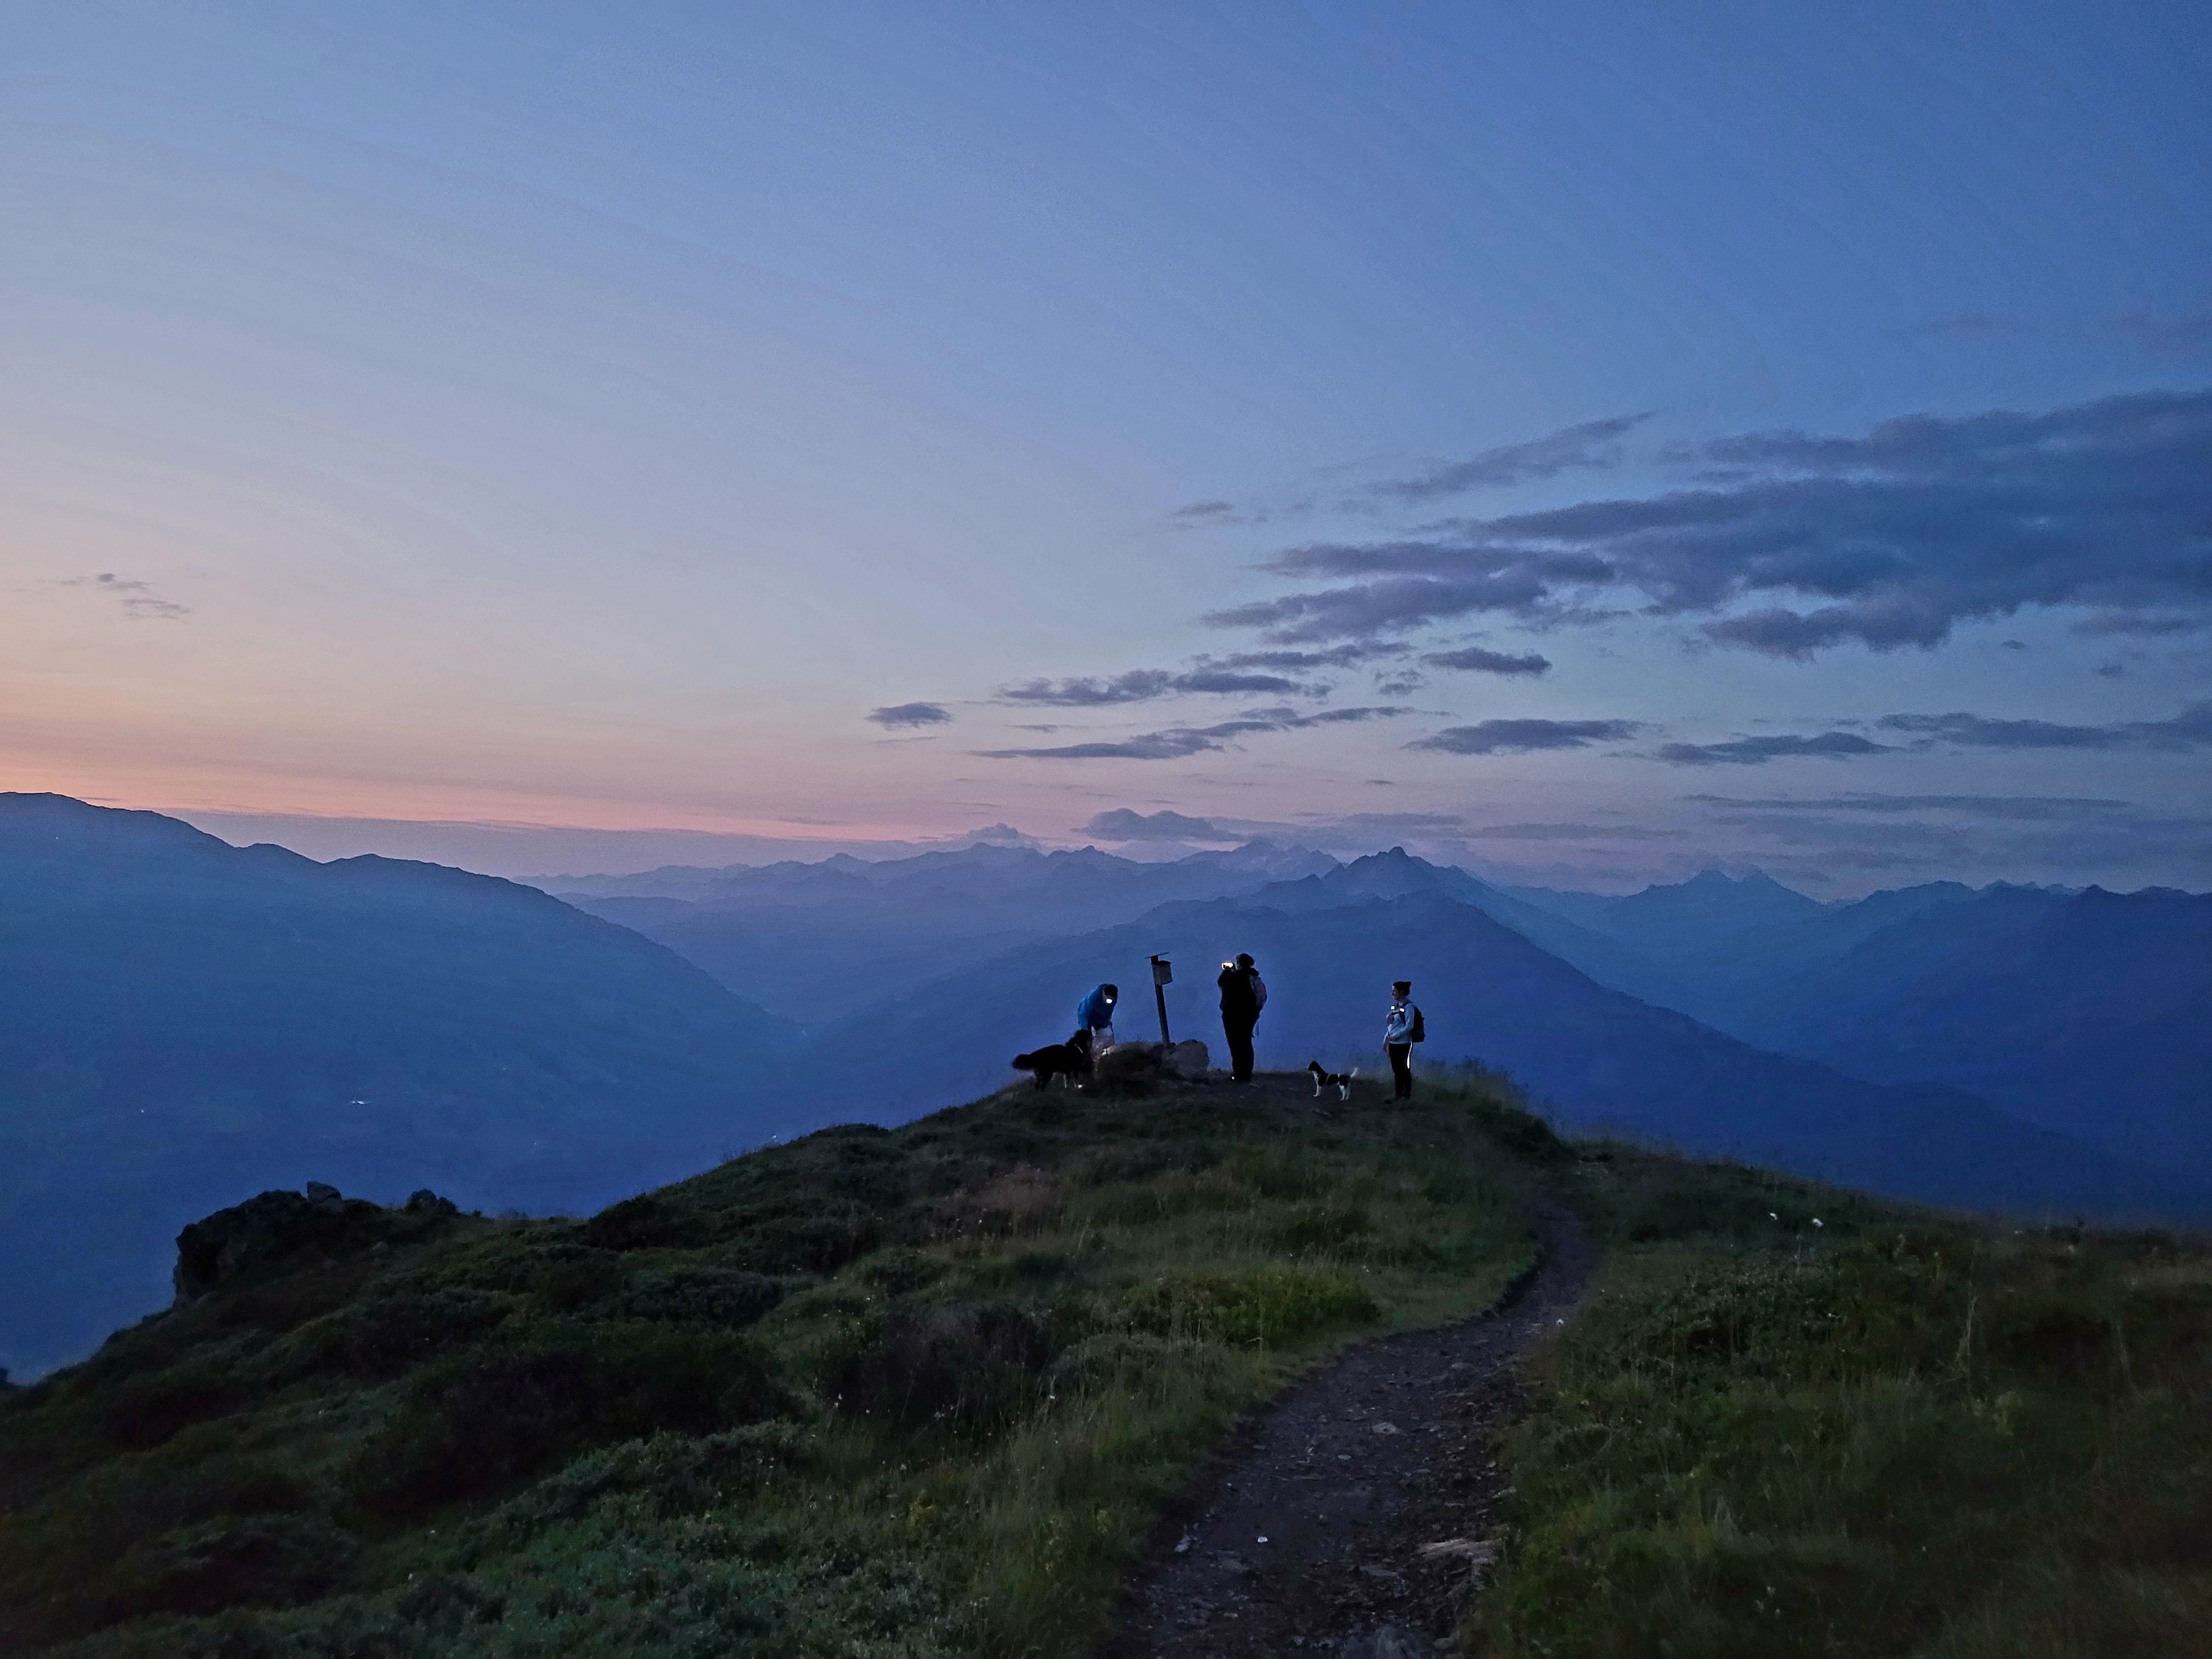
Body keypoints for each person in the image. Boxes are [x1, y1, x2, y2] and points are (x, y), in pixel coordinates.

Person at [1217, 952, 1265, 1082]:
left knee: (1235, 1046)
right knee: (1246, 1044)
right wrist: (1256, 1012)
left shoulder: (1231, 977)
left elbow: (1221, 983)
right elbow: (1261, 997)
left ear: (1238, 963)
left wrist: (1227, 970)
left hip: (1231, 1015)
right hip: (1248, 1016)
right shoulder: (1254, 978)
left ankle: (1238, 1074)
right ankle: (1246, 1074)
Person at [1384, 980, 1420, 1102]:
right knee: (1396, 1070)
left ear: (1402, 992)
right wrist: (1387, 1039)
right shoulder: (1395, 1007)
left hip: (1404, 1044)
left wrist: (1394, 1036)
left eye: (1395, 991)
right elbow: (1392, 1026)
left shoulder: (1409, 1008)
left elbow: (1409, 1027)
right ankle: (1398, 1095)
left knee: (1404, 1069)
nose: (1393, 994)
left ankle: (1406, 1096)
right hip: (1393, 1044)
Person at [1076, 982, 1119, 1049]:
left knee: (1107, 1036)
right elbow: (1083, 1014)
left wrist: (1106, 1022)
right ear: (1103, 993)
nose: (1110, 1001)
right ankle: (1091, 1052)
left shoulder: (1114, 998)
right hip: (1088, 1019)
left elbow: (1110, 1011)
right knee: (1089, 1039)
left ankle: (1108, 1051)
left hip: (1102, 1020)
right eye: (1108, 999)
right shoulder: (1093, 998)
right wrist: (1085, 1029)